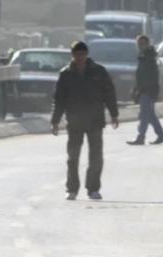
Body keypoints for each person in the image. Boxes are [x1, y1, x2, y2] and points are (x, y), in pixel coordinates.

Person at [51, 41, 119, 201]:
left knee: (96, 157)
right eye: (76, 55)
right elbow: (59, 99)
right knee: (73, 157)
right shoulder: (66, 74)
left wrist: (114, 114)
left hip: (95, 120)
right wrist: (55, 120)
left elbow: (109, 93)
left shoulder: (99, 72)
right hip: (74, 121)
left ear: (87, 54)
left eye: (82, 54)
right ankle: (72, 189)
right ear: (72, 55)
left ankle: (93, 188)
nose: (79, 58)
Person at [127, 35, 163, 145]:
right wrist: (135, 89)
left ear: (148, 44)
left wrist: (147, 90)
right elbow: (139, 76)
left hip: (148, 90)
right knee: (150, 115)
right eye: (139, 44)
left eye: (143, 44)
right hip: (144, 89)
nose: (141, 46)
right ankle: (161, 135)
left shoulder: (149, 58)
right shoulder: (143, 57)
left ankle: (141, 137)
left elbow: (152, 77)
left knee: (145, 114)